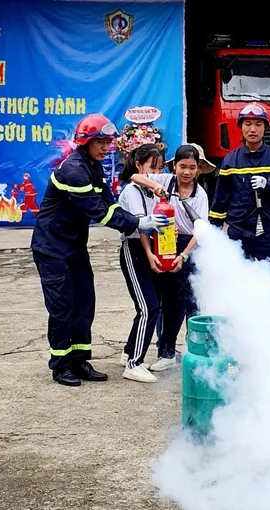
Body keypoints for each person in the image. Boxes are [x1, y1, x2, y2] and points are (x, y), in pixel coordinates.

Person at [31, 114, 169, 387]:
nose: (107, 147)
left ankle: (80, 359)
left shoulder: (93, 167)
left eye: (108, 142)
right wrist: (139, 222)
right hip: (52, 248)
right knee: (62, 306)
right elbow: (98, 212)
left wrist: (133, 218)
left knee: (84, 302)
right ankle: (61, 364)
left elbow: (109, 202)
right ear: (86, 142)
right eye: (101, 142)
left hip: (73, 246)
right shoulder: (74, 170)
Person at [127, 143, 212, 372]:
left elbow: (200, 230)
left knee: (192, 302)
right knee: (170, 303)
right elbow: (135, 176)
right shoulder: (166, 181)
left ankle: (197, 353)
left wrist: (184, 255)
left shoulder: (200, 195)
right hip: (164, 240)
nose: (186, 172)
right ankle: (166, 352)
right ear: (174, 166)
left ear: (198, 170)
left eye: (192, 167)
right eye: (182, 166)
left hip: (190, 246)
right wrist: (155, 185)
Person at [208, 103, 270, 271]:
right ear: (241, 127)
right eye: (247, 124)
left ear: (266, 127)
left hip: (269, 232)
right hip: (239, 232)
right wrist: (214, 229)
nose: (253, 129)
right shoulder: (230, 161)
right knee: (239, 279)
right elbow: (220, 199)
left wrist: (269, 185)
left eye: (258, 124)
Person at [115, 144, 171, 383]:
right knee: (148, 308)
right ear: (139, 166)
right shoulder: (132, 191)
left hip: (151, 248)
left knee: (152, 304)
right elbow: (141, 225)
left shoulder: (152, 191)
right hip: (135, 249)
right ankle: (134, 363)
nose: (156, 174)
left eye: (160, 169)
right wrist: (149, 254)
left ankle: (129, 350)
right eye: (152, 168)